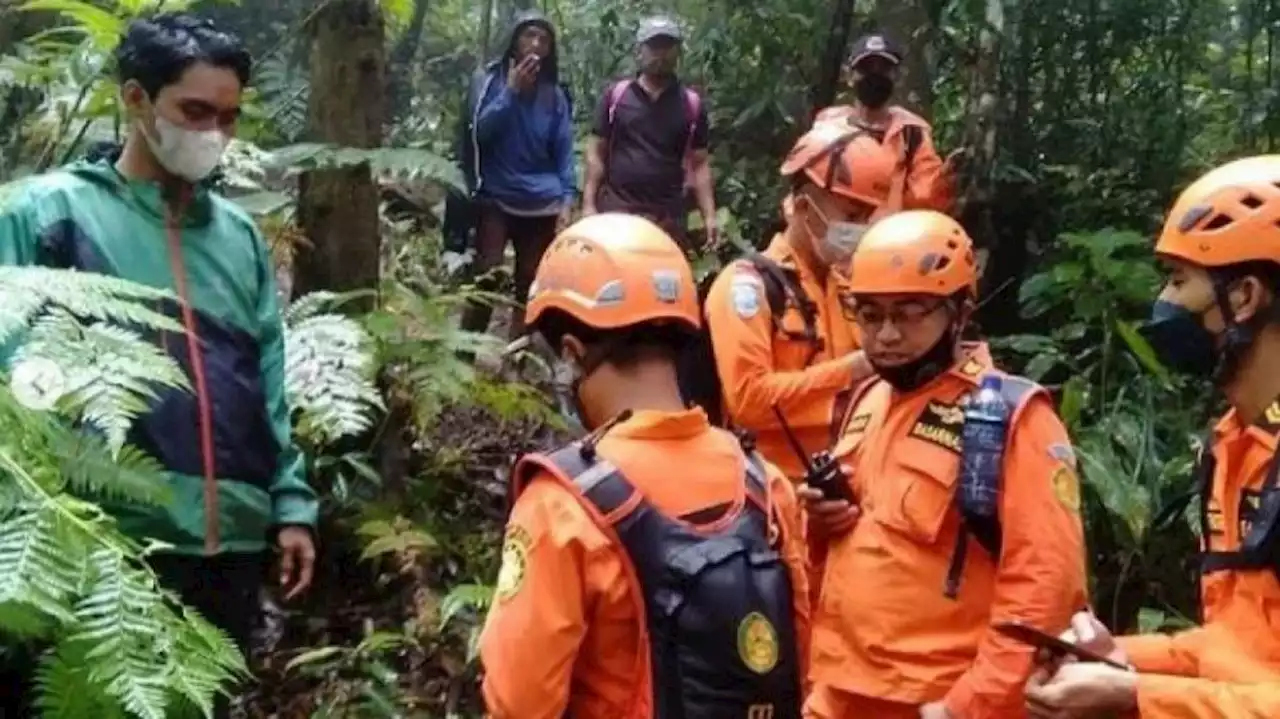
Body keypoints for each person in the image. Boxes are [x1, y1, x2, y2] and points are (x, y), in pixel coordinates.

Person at [0, 14, 316, 716]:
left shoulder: (238, 239)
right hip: (99, 537)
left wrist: (290, 503)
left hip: (229, 543)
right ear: (136, 100)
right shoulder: (49, 215)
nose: (214, 135)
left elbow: (266, 378)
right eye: (195, 111)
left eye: (229, 117)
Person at [478, 213, 809, 718]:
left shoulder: (563, 507)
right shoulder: (765, 485)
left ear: (572, 352)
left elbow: (519, 701)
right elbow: (799, 658)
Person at [803, 210, 1088, 718]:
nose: (886, 335)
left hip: (933, 699)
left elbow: (1047, 588)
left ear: (960, 312)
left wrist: (967, 707)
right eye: (869, 314)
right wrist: (822, 523)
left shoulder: (1011, 416)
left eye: (910, 312)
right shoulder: (866, 400)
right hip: (838, 690)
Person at [1023, 155, 1280, 718]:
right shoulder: (1238, 444)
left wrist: (1136, 697)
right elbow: (1239, 651)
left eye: (1180, 279)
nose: (1164, 302)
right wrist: (1122, 656)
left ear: (1243, 297)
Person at [695, 121, 892, 482]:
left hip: (846, 484)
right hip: (772, 492)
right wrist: (850, 370)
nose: (859, 229)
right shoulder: (748, 287)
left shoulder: (845, 288)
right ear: (803, 207)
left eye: (866, 217)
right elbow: (748, 400)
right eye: (851, 217)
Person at [456, 9, 576, 340]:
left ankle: (517, 356)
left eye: (543, 38)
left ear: (550, 49)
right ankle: (465, 352)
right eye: (529, 35)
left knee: (530, 281)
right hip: (496, 196)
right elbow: (479, 135)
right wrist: (510, 92)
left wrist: (568, 199)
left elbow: (564, 150)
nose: (535, 44)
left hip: (542, 201)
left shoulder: (555, 95)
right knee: (487, 276)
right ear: (514, 41)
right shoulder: (489, 81)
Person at [581, 15, 716, 251]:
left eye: (667, 46)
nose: (660, 54)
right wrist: (588, 204)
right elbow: (596, 151)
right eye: (654, 46)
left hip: (668, 217)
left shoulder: (690, 104)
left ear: (678, 52)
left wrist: (710, 216)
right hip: (617, 211)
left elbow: (700, 164)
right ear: (639, 51)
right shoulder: (617, 96)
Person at [813, 32, 958, 214]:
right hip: (827, 227)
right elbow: (806, 185)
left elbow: (924, 198)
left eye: (884, 69)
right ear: (849, 76)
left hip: (884, 236)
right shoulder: (828, 124)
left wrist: (946, 181)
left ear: (896, 76)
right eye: (866, 68)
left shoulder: (911, 133)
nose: (875, 75)